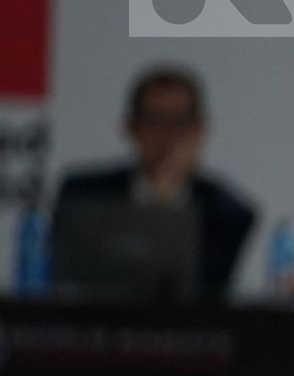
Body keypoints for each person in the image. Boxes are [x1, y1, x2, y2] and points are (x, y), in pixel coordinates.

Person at [54, 66, 257, 300]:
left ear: (200, 129)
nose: (166, 135)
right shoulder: (83, 195)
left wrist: (164, 204)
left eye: (179, 122)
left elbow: (203, 294)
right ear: (130, 126)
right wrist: (155, 202)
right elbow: (83, 280)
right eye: (154, 120)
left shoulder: (229, 213)